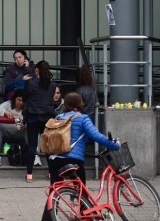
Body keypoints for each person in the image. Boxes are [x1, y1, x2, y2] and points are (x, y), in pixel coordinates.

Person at [41, 92, 120, 221]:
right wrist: (114, 145)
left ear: (65, 104)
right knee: (82, 190)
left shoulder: (58, 118)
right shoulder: (83, 118)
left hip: (54, 159)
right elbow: (96, 136)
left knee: (54, 193)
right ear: (80, 104)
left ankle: (47, 219)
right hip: (73, 160)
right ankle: (86, 216)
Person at [23, 60, 57, 182]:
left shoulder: (31, 83)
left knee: (32, 145)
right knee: (48, 146)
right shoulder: (52, 85)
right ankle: (51, 173)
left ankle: (29, 174)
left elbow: (25, 97)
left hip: (33, 116)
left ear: (37, 69)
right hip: (47, 117)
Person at [0, 90, 26, 166]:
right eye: (18, 100)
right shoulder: (8, 104)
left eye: (22, 101)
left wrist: (26, 125)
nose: (20, 102)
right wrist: (5, 112)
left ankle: (35, 156)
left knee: (31, 131)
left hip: (19, 132)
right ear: (14, 99)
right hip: (6, 132)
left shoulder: (27, 108)